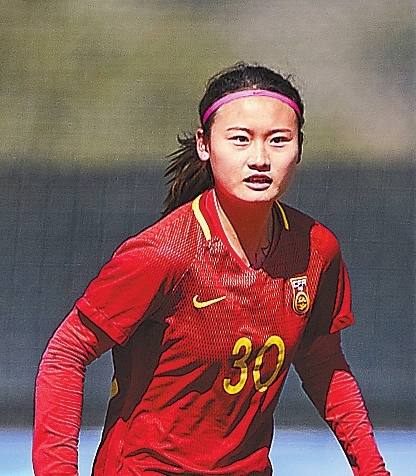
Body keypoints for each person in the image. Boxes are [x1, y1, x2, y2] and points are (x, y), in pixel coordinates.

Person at [33, 63, 390, 475]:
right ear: (205, 145)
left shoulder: (316, 249)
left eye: (278, 140)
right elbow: (65, 354)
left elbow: (323, 363)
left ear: (299, 148)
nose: (260, 158)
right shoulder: (163, 254)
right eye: (240, 139)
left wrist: (373, 470)